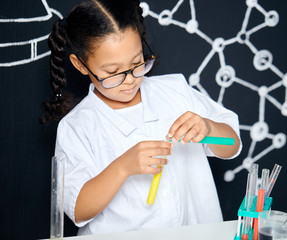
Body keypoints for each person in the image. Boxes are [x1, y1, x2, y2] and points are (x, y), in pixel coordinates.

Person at [40, 0, 242, 236]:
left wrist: (209, 129)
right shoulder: (76, 126)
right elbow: (78, 210)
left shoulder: (175, 90)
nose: (129, 80)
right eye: (112, 72)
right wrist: (123, 167)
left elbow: (232, 144)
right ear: (80, 64)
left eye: (137, 63)